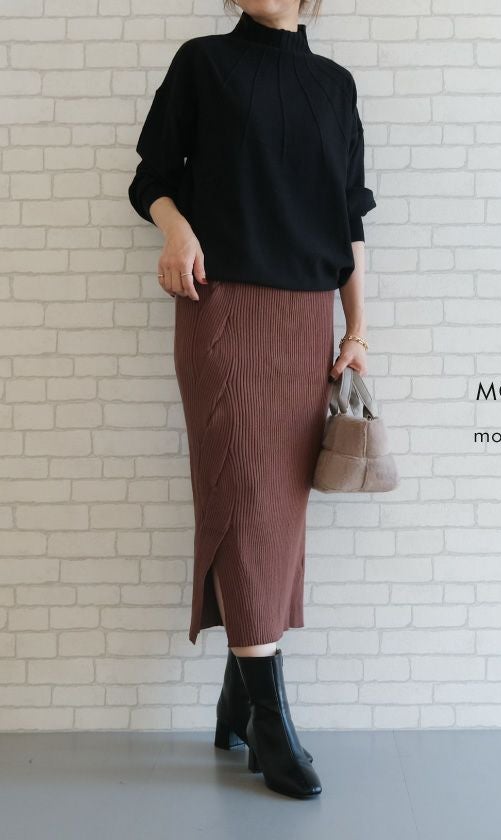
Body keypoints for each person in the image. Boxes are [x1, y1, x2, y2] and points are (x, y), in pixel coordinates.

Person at [127, 0, 376, 800]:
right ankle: (270, 720)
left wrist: (357, 328)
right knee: (239, 497)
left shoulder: (334, 86)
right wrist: (176, 229)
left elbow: (348, 217)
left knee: (278, 510)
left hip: (305, 320)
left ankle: (237, 699)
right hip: (222, 309)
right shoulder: (203, 63)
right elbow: (151, 178)